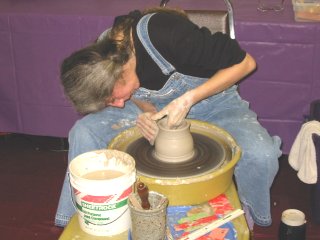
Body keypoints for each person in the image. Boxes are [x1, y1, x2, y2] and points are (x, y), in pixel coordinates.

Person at [55, 7, 282, 228]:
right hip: (157, 108)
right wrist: (147, 113)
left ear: (120, 73)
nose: (118, 105)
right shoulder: (104, 54)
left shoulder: (165, 33)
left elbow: (246, 63)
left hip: (215, 102)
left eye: (113, 98)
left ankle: (246, 212)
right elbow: (135, 96)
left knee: (261, 154)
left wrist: (188, 99)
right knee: (84, 132)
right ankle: (82, 217)